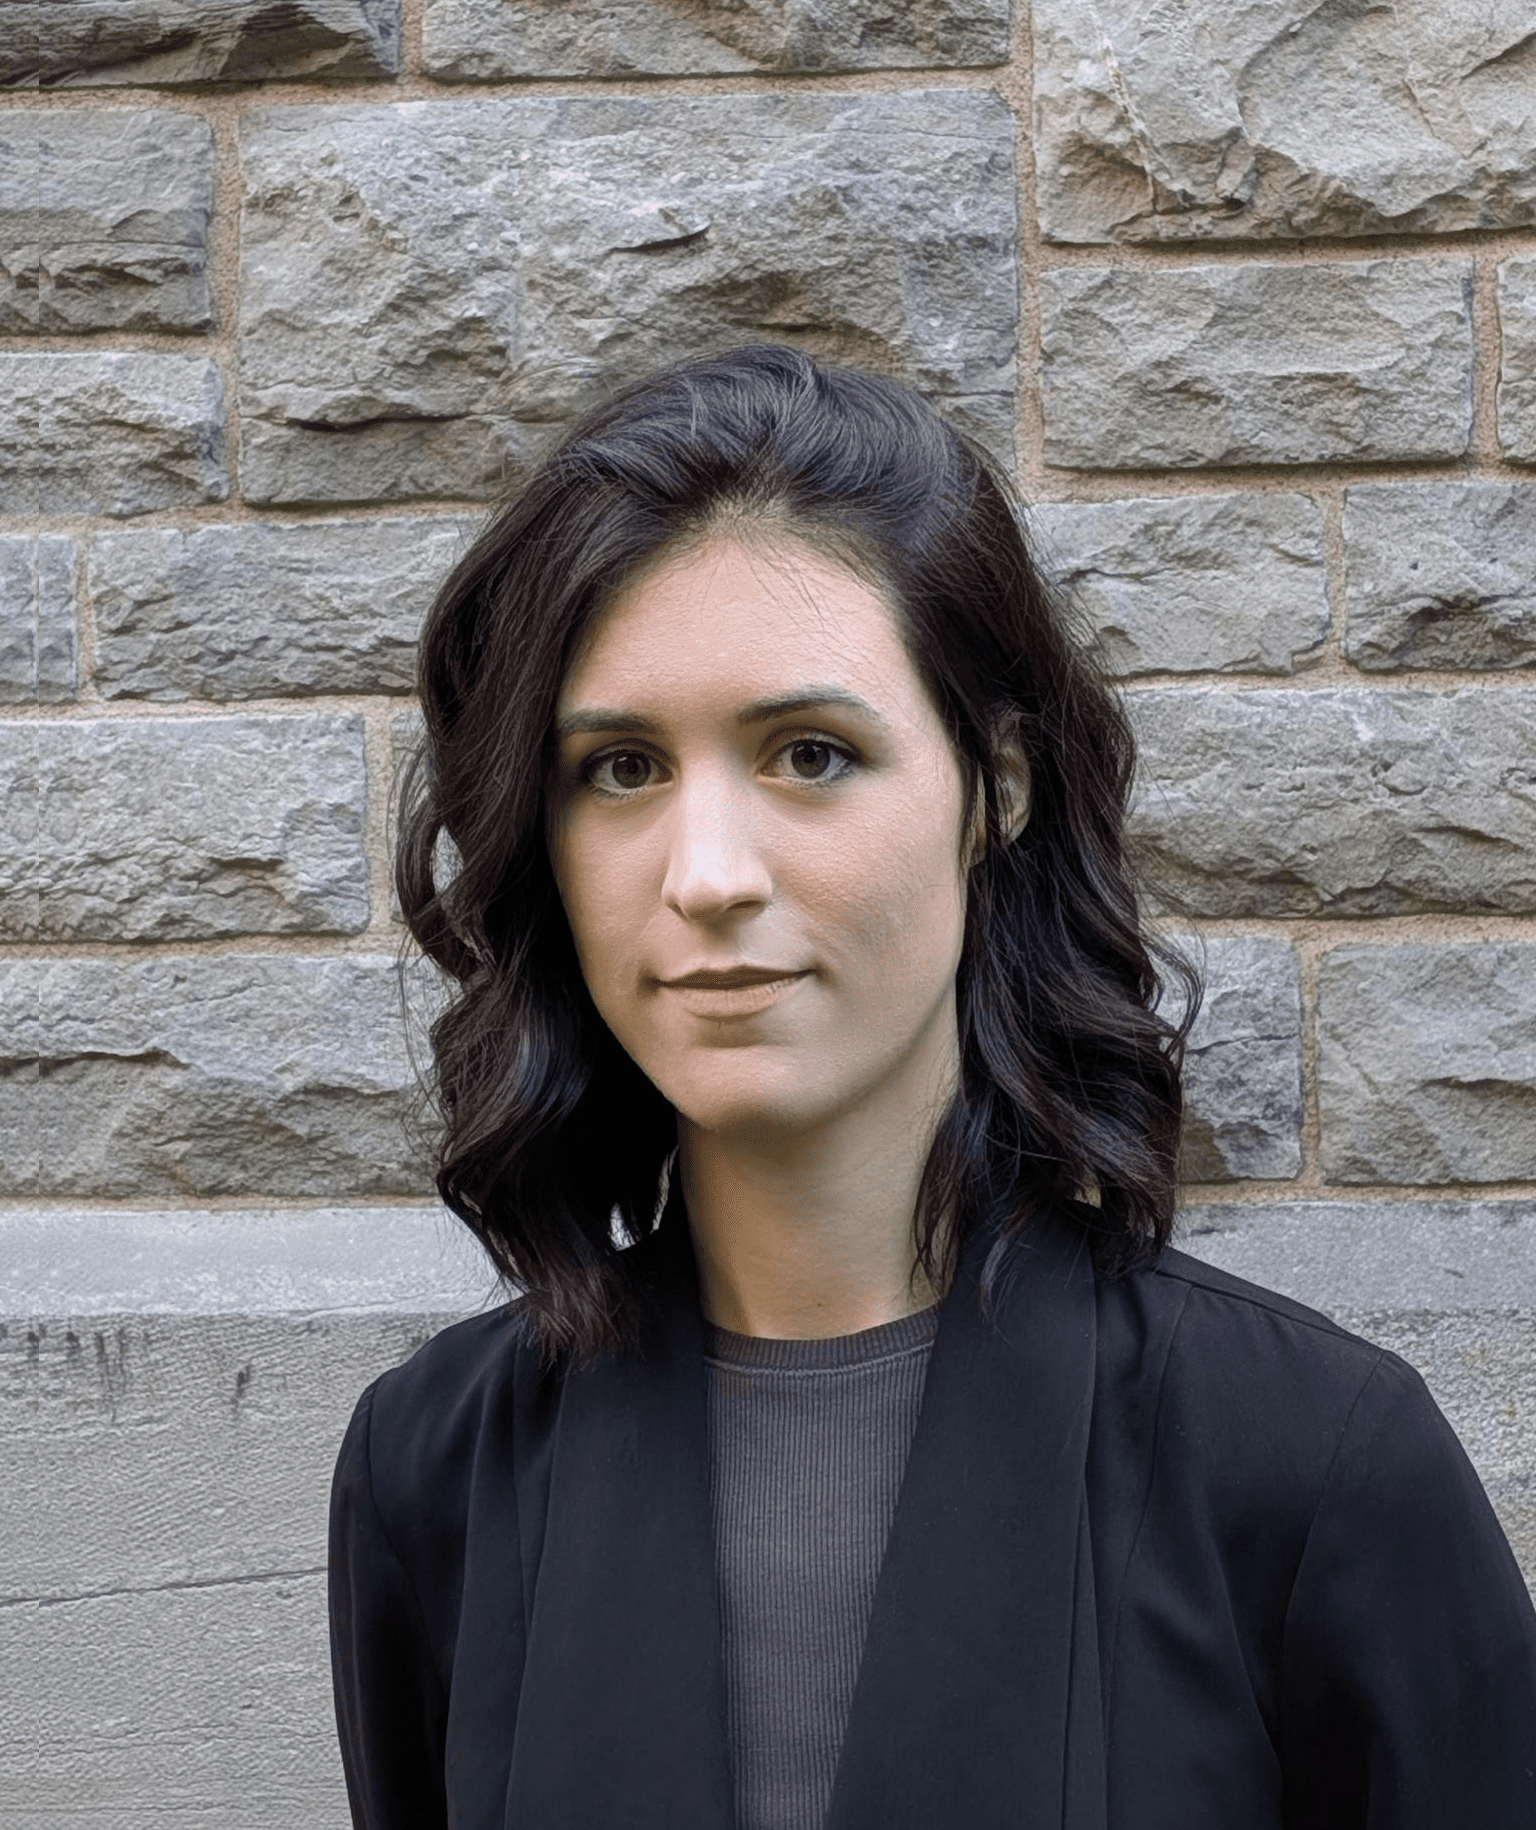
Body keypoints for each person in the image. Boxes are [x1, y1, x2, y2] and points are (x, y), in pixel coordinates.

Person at [328, 345, 1536, 1830]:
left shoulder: (1315, 1467)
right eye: (623, 767)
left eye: (810, 753)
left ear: (997, 787)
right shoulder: (435, 1472)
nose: (706, 875)